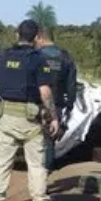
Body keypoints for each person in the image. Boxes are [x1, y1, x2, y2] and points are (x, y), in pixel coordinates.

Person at [0, 19, 60, 201]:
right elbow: (45, 92)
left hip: (6, 119)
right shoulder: (38, 60)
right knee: (36, 166)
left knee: (2, 165)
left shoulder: (2, 57)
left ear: (17, 35)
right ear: (36, 38)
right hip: (31, 120)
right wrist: (53, 117)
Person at [35, 26, 78, 176]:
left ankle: (37, 177)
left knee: (33, 141)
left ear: (40, 37)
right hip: (57, 104)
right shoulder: (65, 56)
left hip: (35, 103)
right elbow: (72, 85)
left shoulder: (35, 55)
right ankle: (45, 174)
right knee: (49, 140)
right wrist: (70, 104)